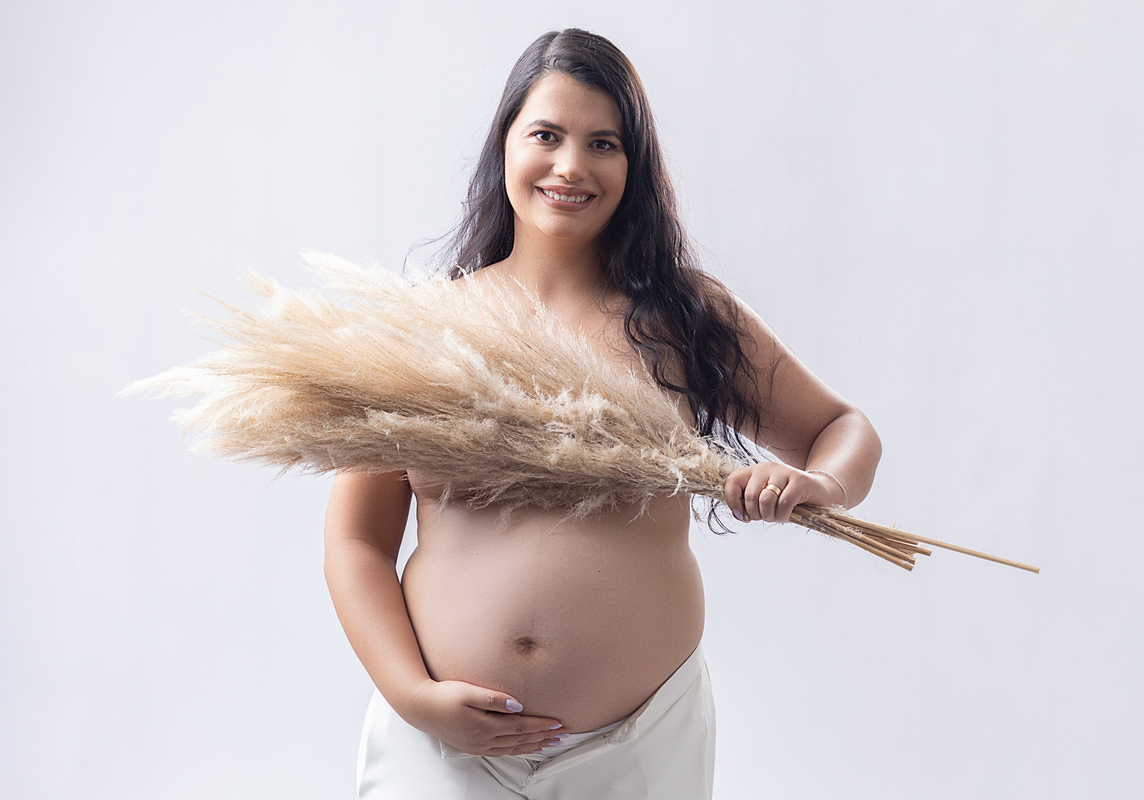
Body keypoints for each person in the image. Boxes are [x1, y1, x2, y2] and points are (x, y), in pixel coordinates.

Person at [323, 28, 881, 800]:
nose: (571, 166)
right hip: (439, 750)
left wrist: (824, 484)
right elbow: (357, 540)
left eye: (604, 143)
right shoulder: (422, 331)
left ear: (634, 165)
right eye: (546, 135)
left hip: (641, 746)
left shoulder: (683, 315)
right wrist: (411, 696)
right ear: (505, 146)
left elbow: (844, 430)